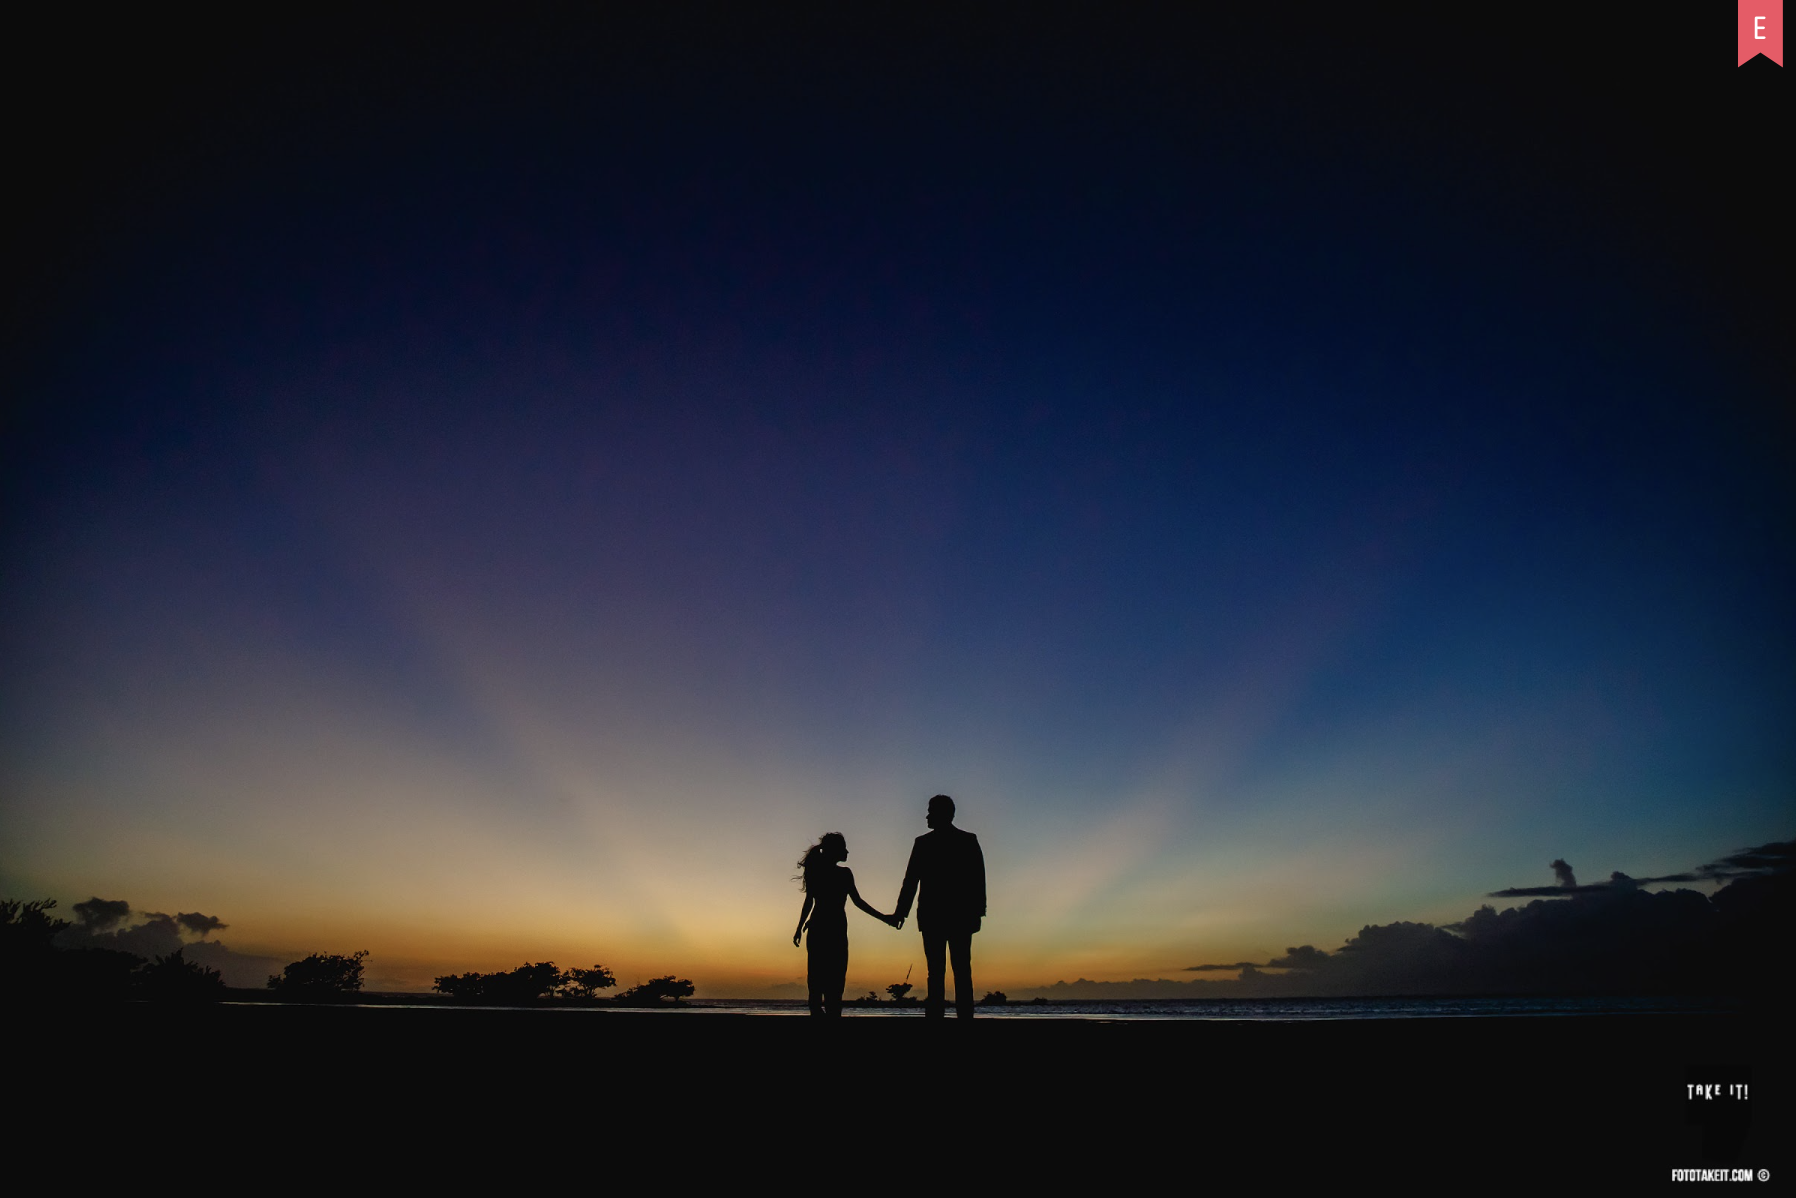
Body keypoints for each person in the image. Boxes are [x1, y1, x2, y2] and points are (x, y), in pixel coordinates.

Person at [892, 794, 986, 1019]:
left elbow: (977, 879)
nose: (926, 816)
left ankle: (951, 1016)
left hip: (948, 916)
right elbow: (911, 880)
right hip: (945, 916)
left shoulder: (959, 841)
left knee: (950, 969)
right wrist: (900, 912)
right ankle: (947, 1016)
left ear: (943, 814)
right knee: (948, 970)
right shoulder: (927, 842)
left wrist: (978, 912)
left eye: (930, 812)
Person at [793, 832, 900, 1017]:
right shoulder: (843, 874)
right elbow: (857, 902)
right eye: (844, 848)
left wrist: (799, 927)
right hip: (834, 930)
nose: (848, 851)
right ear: (835, 851)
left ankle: (819, 1014)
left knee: (817, 978)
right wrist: (885, 918)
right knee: (833, 979)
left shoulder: (819, 872)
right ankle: (831, 1015)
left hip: (819, 927)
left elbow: (810, 901)